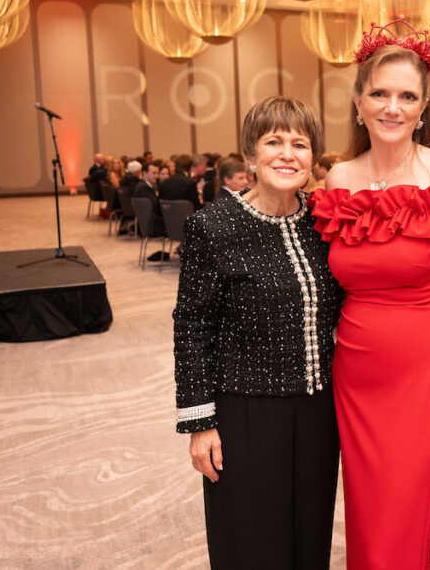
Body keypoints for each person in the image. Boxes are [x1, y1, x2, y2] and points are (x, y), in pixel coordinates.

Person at [307, 19, 430, 569]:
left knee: (407, 501)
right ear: (358, 102)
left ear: (423, 106)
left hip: (425, 364)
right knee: (364, 503)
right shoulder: (338, 180)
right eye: (380, 93)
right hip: (356, 365)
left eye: (407, 96)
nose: (393, 107)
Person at [174, 96, 343, 569]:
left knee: (309, 536)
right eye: (274, 142)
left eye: (300, 144)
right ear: (251, 153)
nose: (287, 154)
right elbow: (191, 328)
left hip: (317, 413)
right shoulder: (213, 227)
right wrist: (200, 423)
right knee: (250, 541)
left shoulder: (323, 221)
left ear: (314, 158)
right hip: (244, 413)